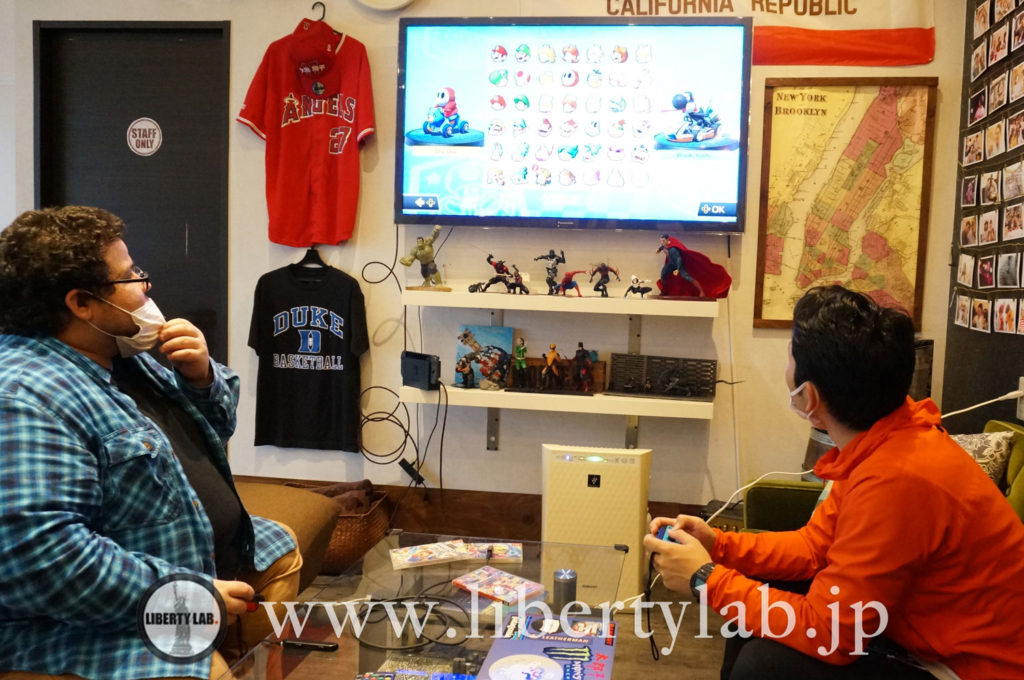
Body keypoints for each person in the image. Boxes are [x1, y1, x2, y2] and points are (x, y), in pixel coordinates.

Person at [645, 285, 1024, 680]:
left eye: (789, 355)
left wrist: (705, 579)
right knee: (755, 615)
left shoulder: (898, 478)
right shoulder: (887, 435)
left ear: (807, 396)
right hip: (920, 634)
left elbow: (831, 635)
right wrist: (718, 545)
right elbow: (814, 547)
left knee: (764, 664)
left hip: (969, 669)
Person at [0, 206, 301, 680]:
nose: (145, 285)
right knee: (200, 670)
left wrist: (200, 378)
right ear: (81, 303)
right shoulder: (25, 396)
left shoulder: (118, 353)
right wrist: (181, 594)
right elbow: (44, 559)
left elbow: (213, 432)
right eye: (130, 276)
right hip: (80, 620)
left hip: (189, 553)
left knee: (280, 550)